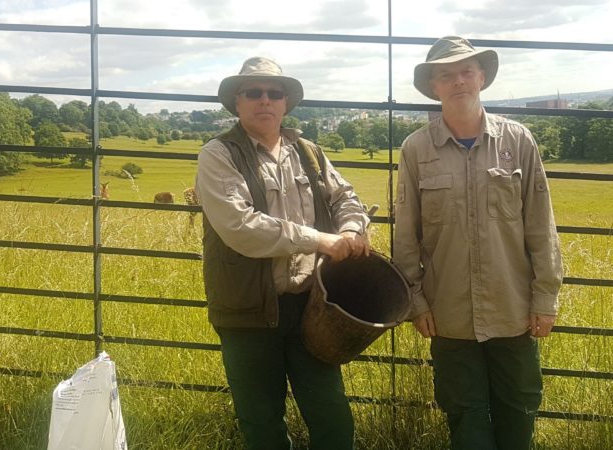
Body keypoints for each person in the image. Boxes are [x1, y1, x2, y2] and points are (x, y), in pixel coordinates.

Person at [393, 36, 563, 450]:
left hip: (513, 309)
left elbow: (541, 224)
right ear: (433, 86)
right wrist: (416, 301)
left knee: (519, 408)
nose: (458, 81)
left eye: (466, 71)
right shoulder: (416, 149)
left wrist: (545, 297)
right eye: (446, 75)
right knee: (464, 415)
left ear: (481, 78)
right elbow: (406, 234)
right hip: (447, 313)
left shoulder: (518, 141)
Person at [196, 56, 370, 450]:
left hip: (311, 306)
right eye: (253, 92)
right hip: (247, 310)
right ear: (237, 101)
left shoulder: (308, 152)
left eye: (274, 93)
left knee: (331, 415)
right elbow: (241, 227)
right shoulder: (218, 154)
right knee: (261, 423)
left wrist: (350, 228)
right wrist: (321, 240)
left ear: (286, 102)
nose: (265, 100)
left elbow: (345, 197)